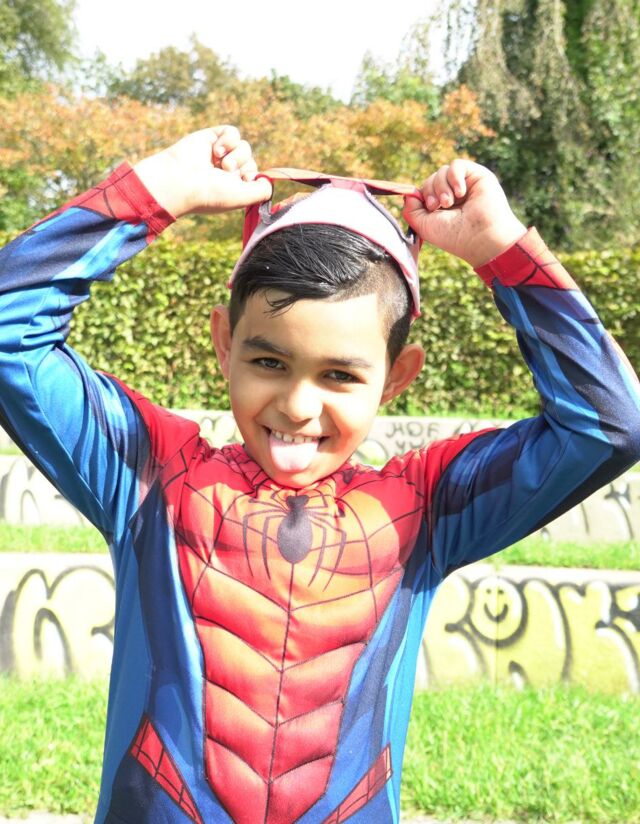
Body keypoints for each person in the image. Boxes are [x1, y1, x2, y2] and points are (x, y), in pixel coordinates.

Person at [1, 125, 639, 824]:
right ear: (224, 343)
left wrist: (501, 250)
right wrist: (157, 190)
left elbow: (610, 424)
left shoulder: (429, 509)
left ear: (397, 377)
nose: (299, 406)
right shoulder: (150, 479)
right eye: (268, 362)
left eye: (339, 375)